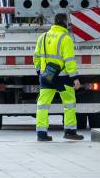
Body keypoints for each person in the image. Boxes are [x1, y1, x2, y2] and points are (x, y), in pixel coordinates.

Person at [34, 13, 83, 142]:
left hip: (47, 76)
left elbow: (36, 57)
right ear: (65, 22)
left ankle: (41, 133)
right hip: (63, 78)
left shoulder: (42, 37)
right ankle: (70, 132)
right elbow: (69, 61)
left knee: (43, 105)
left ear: (54, 22)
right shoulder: (65, 38)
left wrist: (40, 72)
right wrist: (75, 78)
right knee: (69, 104)